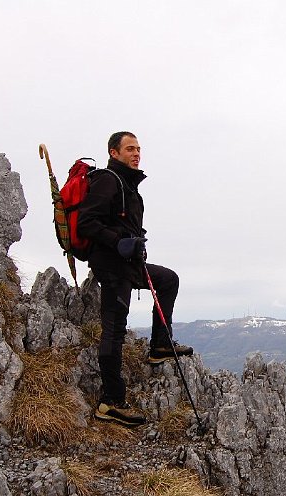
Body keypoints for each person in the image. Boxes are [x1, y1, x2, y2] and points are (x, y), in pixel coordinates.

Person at [77, 131, 193, 427]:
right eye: (130, 149)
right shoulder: (107, 180)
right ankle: (110, 402)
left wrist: (130, 242)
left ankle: (159, 346)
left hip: (128, 263)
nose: (136, 153)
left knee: (168, 280)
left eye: (138, 149)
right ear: (114, 153)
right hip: (113, 266)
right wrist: (118, 241)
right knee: (114, 329)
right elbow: (87, 222)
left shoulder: (127, 184)